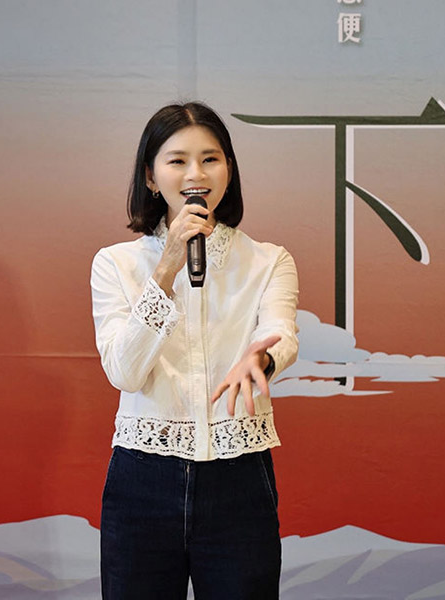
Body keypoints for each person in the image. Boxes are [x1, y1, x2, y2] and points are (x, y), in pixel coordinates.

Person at [90, 102, 299, 600]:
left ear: (229, 170)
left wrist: (262, 359)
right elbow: (124, 372)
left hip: (238, 479)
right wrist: (166, 269)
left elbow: (281, 332)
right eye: (177, 160)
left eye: (210, 159)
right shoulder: (115, 264)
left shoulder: (268, 260)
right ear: (150, 175)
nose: (195, 175)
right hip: (143, 480)